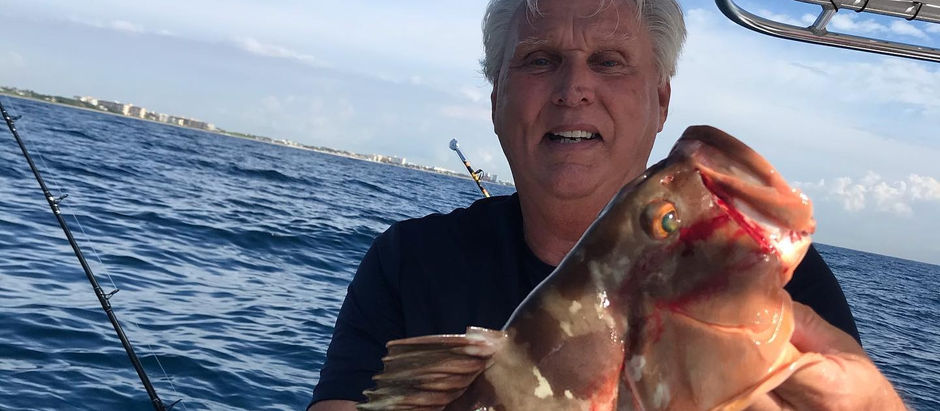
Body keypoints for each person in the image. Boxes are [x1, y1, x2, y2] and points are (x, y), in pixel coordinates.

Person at [308, 0, 906, 409]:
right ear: (497, 100)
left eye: (609, 61)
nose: (573, 90)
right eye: (540, 60)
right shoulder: (407, 261)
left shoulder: (780, 283)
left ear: (660, 102)